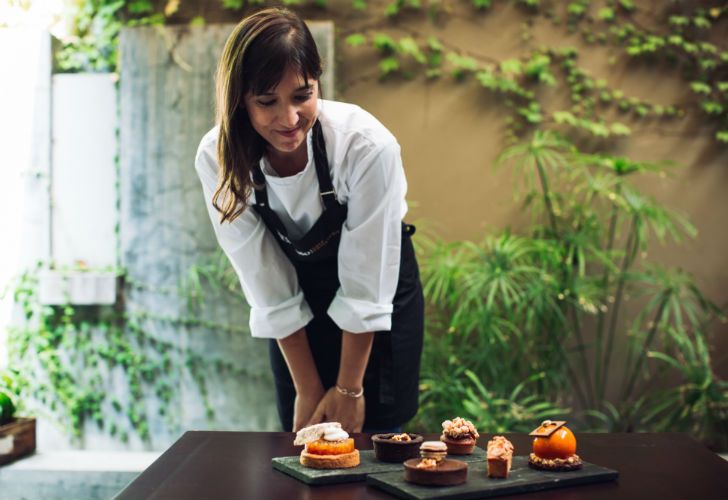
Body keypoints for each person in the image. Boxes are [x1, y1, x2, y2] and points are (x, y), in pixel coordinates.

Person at [194, 7, 424, 433]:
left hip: (376, 293)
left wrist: (350, 389)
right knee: (303, 438)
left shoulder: (366, 146)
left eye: (302, 95)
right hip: (295, 301)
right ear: (239, 100)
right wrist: (308, 387)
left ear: (318, 81)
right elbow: (264, 276)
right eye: (266, 102)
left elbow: (366, 277)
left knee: (377, 434)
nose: (288, 118)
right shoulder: (218, 158)